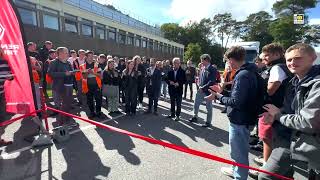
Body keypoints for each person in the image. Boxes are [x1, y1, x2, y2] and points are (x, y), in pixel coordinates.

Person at [260, 43, 320, 180]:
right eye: (289, 60)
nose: (292, 62)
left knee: (266, 177)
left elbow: (308, 122)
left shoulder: (317, 84)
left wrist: (278, 115)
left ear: (312, 58)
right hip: (290, 138)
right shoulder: (294, 81)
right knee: (275, 175)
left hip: (310, 145)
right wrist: (274, 115)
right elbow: (290, 109)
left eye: (297, 58)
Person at [206, 46, 260, 180]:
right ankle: (236, 170)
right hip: (246, 118)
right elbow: (241, 96)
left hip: (240, 119)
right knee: (239, 152)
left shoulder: (242, 75)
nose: (228, 63)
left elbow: (236, 101)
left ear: (231, 60)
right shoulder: (251, 71)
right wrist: (222, 92)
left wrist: (218, 96)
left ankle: (239, 176)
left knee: (239, 153)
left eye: (228, 60)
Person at [252, 43, 293, 173]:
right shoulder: (282, 67)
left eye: (267, 55)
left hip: (271, 109)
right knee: (270, 138)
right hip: (280, 108)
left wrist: (259, 90)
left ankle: (266, 166)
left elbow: (271, 89)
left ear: (277, 55)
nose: (264, 57)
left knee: (267, 138)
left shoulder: (276, 68)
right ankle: (268, 162)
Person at [48, 47, 77, 126]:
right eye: (66, 52)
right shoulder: (54, 62)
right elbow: (50, 73)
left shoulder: (68, 62)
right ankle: (62, 122)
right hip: (60, 86)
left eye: (67, 52)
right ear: (60, 53)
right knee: (64, 104)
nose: (67, 54)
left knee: (68, 104)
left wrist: (73, 73)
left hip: (69, 85)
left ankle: (67, 120)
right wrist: (64, 74)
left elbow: (70, 72)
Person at [189, 54, 217, 127]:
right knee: (196, 104)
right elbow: (201, 78)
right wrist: (199, 84)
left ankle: (208, 122)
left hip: (208, 91)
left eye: (202, 60)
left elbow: (212, 81)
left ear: (206, 60)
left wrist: (203, 88)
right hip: (200, 89)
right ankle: (195, 117)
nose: (201, 62)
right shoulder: (203, 67)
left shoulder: (212, 69)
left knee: (209, 107)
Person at [80, 50, 103, 118]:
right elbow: (83, 77)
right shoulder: (82, 66)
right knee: (89, 100)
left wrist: (92, 73)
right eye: (89, 56)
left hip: (96, 85)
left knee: (98, 99)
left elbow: (100, 76)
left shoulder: (97, 64)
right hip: (87, 85)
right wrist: (87, 72)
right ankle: (92, 112)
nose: (91, 57)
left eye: (92, 56)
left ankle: (98, 112)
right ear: (86, 57)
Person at [0, 48, 14, 146]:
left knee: (1, 117)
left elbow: (10, 75)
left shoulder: (5, 61)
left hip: (1, 92)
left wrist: (10, 77)